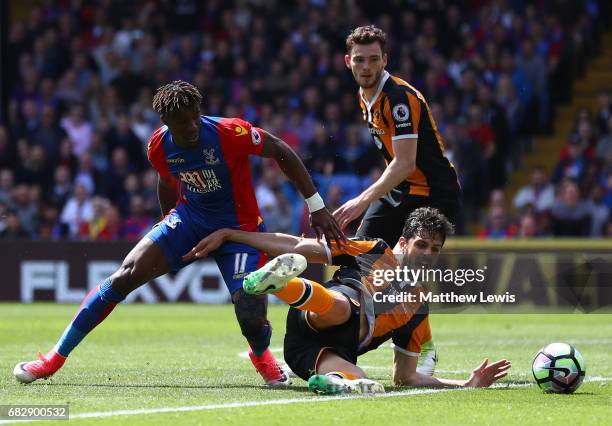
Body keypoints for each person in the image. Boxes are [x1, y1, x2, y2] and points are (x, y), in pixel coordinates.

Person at [14, 80, 344, 386]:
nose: (191, 128)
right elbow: (167, 179)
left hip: (240, 230)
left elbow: (281, 151)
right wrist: (167, 227)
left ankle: (262, 356)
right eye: (182, 123)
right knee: (123, 277)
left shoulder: (230, 132)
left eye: (194, 118)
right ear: (165, 122)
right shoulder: (158, 146)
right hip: (189, 221)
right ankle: (53, 359)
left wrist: (316, 206)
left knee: (249, 315)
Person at [184, 207, 511, 394]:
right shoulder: (376, 251)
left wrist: (466, 384)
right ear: (403, 242)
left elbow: (405, 377)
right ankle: (279, 285)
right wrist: (233, 235)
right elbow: (298, 246)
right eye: (421, 245)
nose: (427, 254)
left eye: (434, 249)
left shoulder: (418, 305)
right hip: (320, 311)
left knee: (362, 378)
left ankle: (332, 381)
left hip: (307, 352)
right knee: (348, 306)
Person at [334, 25, 461, 247]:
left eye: (373, 59)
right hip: (401, 188)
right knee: (362, 256)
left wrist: (361, 201)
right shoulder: (363, 95)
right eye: (359, 60)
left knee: (406, 270)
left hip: (434, 193)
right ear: (348, 61)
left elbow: (405, 163)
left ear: (385, 60)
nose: (366, 67)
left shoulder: (398, 98)